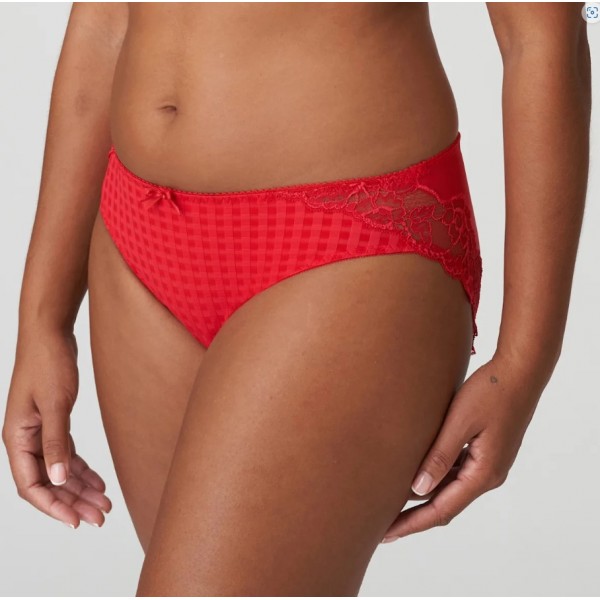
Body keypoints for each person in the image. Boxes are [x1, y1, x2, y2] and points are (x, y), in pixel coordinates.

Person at [2, 2, 591, 596]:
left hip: (347, 239)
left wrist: (525, 362)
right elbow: (105, 19)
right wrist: (43, 318)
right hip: (137, 235)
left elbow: (539, 36)